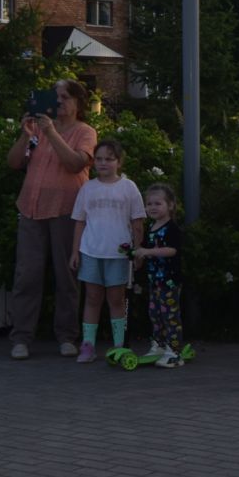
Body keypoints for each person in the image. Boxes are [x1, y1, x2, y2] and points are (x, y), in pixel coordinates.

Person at [6, 79, 97, 360]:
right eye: (55, 96)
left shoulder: (85, 132)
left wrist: (51, 133)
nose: (58, 101)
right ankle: (21, 337)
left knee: (66, 275)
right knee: (27, 275)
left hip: (66, 210)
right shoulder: (39, 129)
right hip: (32, 209)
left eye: (65, 97)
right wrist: (25, 135)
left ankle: (67, 336)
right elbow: (13, 163)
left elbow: (75, 164)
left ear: (77, 103)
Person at [69, 140, 145, 364]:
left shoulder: (129, 188)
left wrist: (137, 250)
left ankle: (119, 345)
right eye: (99, 159)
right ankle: (88, 345)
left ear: (119, 162)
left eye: (109, 159)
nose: (103, 163)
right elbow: (80, 222)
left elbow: (137, 221)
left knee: (116, 299)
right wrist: (75, 252)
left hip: (119, 254)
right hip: (91, 251)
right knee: (92, 298)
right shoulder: (87, 187)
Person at [135, 183, 185, 367]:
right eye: (149, 204)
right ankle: (159, 345)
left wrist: (148, 252)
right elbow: (145, 248)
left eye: (158, 203)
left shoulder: (172, 229)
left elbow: (172, 250)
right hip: (154, 281)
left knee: (170, 316)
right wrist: (137, 252)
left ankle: (175, 351)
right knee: (155, 314)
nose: (152, 207)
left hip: (169, 282)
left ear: (170, 205)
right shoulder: (151, 228)